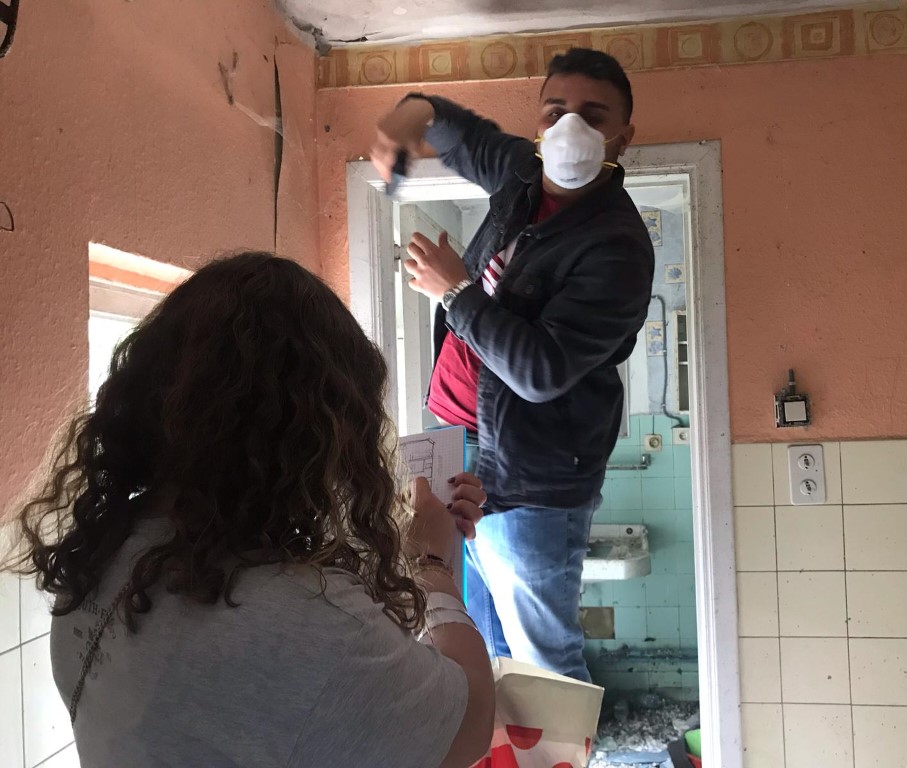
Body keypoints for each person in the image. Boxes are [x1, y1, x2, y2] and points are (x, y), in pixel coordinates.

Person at [2, 253, 495, 768]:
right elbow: (470, 725)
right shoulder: (317, 629)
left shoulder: (96, 558)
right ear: (317, 436)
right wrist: (431, 565)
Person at [371, 48, 655, 683]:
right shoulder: (524, 175)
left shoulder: (617, 247)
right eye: (555, 111)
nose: (569, 128)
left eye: (593, 115)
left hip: (530, 478)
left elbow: (541, 371)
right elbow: (469, 139)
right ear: (539, 122)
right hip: (455, 440)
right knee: (469, 633)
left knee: (543, 662)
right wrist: (416, 111)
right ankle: (496, 738)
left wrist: (455, 290)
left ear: (624, 136)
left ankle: (562, 741)